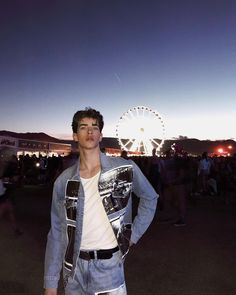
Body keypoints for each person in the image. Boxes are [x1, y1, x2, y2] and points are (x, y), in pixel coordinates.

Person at [43, 107, 158, 295]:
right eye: (83, 127)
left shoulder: (125, 168)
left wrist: (133, 235)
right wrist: (50, 283)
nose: (89, 131)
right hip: (73, 272)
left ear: (101, 135)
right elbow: (56, 232)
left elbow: (150, 197)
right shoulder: (63, 181)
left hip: (109, 269)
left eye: (94, 127)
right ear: (74, 135)